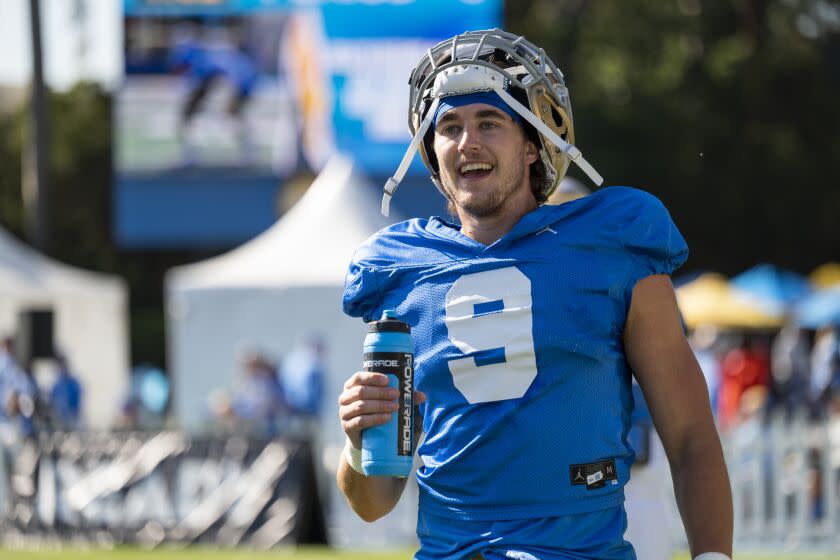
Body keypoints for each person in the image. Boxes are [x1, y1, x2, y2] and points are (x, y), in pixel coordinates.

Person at [336, 30, 732, 560]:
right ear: (430, 150)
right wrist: (358, 442)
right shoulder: (399, 268)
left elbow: (689, 437)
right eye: (448, 126)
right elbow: (372, 502)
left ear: (532, 144)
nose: (466, 142)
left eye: (489, 122)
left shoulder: (611, 242)